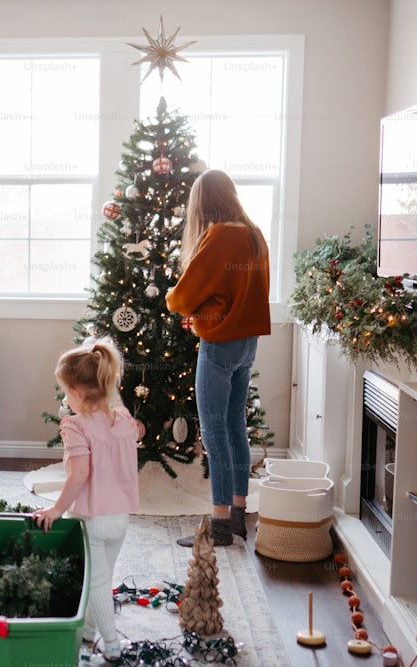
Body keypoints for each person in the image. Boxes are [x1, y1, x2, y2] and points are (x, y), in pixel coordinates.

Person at [166, 169, 271, 547]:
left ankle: (220, 526)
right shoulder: (253, 233)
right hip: (247, 344)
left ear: (205, 202)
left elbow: (180, 297)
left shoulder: (222, 235)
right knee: (234, 428)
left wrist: (184, 306)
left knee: (213, 433)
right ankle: (239, 516)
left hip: (220, 345)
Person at [33, 337, 142, 663]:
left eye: (67, 393)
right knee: (104, 575)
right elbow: (136, 433)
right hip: (120, 518)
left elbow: (78, 475)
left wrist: (55, 509)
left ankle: (110, 643)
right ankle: (90, 630)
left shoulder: (75, 426)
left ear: (78, 393)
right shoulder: (123, 418)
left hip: (91, 520)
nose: (67, 400)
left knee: (94, 581)